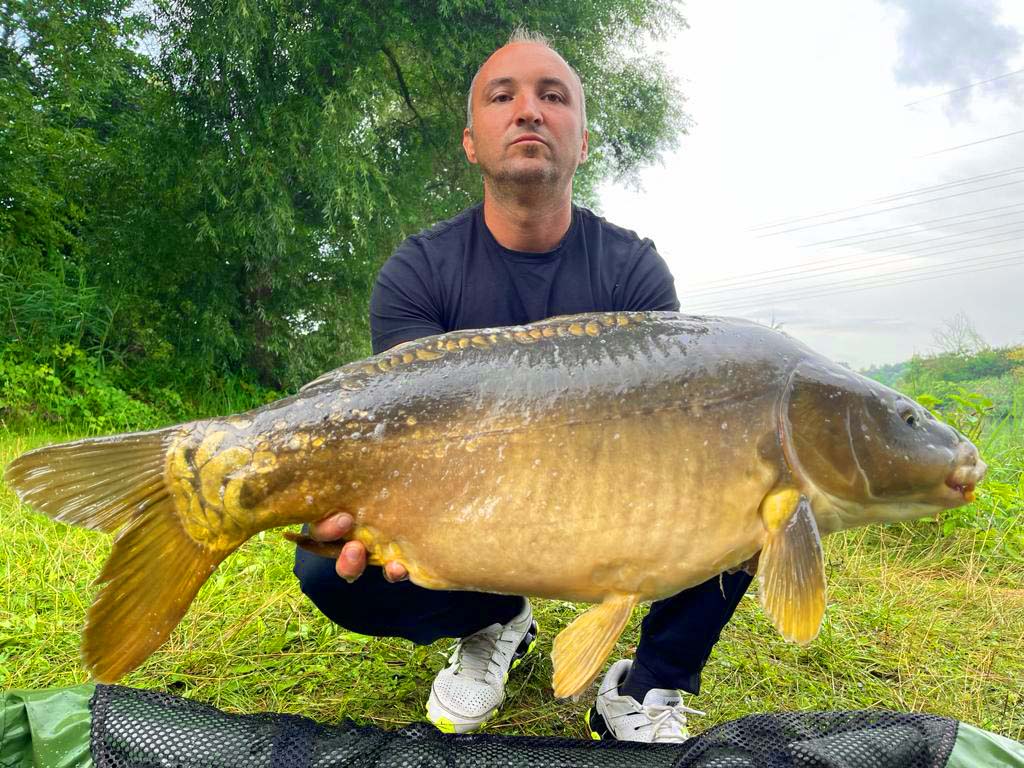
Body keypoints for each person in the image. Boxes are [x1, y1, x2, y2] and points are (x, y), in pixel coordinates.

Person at [293, 28, 753, 743]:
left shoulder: (634, 273)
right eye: (502, 96)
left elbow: (663, 438)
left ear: (584, 139)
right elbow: (416, 439)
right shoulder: (418, 272)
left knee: (749, 495)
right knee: (331, 569)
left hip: (609, 498)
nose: (529, 110)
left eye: (553, 96)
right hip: (468, 506)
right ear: (472, 141)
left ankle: (647, 681)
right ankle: (494, 619)